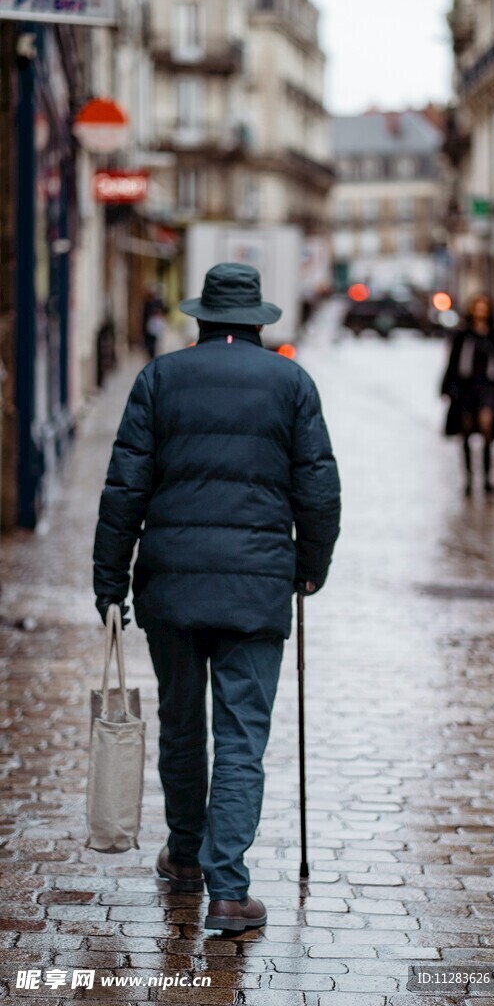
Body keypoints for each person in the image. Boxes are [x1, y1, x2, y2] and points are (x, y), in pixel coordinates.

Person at [93, 263, 341, 933]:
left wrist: (109, 580)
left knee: (181, 724)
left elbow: (125, 489)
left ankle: (183, 854)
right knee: (240, 740)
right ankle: (228, 891)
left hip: (170, 586)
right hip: (256, 588)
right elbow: (318, 489)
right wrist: (309, 568)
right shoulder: (291, 383)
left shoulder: (159, 378)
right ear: (257, 321)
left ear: (201, 318)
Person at [440, 293, 494, 497]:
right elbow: (453, 363)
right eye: (477, 307)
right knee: (466, 431)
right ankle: (469, 479)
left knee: (487, 427)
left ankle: (488, 477)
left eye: (484, 307)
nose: (480, 311)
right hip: (465, 389)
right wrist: (448, 388)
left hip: (488, 388)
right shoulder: (463, 334)